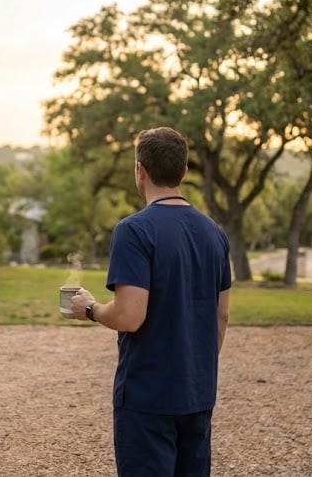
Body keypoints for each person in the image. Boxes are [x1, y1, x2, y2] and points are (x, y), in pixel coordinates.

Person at [70, 126, 232, 477]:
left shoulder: (134, 230)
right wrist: (195, 367)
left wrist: (90, 309)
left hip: (148, 395)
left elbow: (129, 316)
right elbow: (221, 316)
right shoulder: (214, 233)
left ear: (139, 170)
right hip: (198, 392)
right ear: (184, 171)